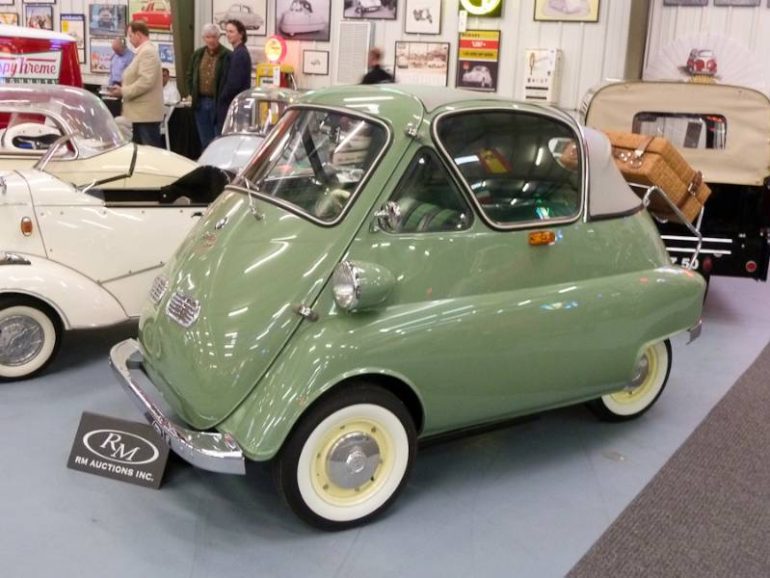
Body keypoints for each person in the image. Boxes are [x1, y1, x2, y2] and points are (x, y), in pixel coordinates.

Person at [109, 21, 164, 147]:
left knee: (150, 152)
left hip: (145, 116)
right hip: (139, 115)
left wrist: (123, 91)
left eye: (130, 35)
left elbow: (146, 81)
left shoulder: (147, 52)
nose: (129, 39)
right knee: (140, 151)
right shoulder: (142, 52)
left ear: (138, 34)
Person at [187, 23, 230, 149]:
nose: (211, 40)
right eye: (208, 37)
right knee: (204, 139)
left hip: (217, 103)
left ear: (219, 37)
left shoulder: (227, 56)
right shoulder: (197, 54)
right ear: (203, 38)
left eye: (214, 37)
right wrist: (191, 92)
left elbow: (229, 81)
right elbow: (189, 75)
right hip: (200, 102)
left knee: (218, 139)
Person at [216, 19, 252, 136]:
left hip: (232, 105)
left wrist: (222, 97)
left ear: (241, 34)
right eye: (227, 31)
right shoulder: (238, 52)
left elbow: (234, 83)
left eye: (231, 31)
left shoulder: (240, 54)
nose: (228, 34)